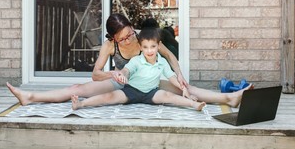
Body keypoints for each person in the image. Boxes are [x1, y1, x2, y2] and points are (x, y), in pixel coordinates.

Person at [7, 13, 251, 108]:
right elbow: (95, 73)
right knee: (77, 89)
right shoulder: (109, 45)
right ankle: (31, 97)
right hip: (122, 82)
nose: (129, 39)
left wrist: (179, 75)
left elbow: (169, 56)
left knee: (187, 88)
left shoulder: (145, 38)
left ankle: (229, 98)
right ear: (113, 38)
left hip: (150, 81)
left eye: (130, 34)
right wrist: (113, 74)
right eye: (123, 38)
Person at [71, 28, 206, 111]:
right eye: (146, 47)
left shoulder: (162, 62)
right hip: (131, 91)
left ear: (158, 46)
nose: (149, 50)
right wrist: (122, 74)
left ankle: (193, 105)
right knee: (109, 97)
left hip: (151, 93)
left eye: (153, 47)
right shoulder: (137, 60)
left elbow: (172, 78)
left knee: (168, 96)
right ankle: (81, 104)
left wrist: (184, 89)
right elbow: (127, 70)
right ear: (140, 48)